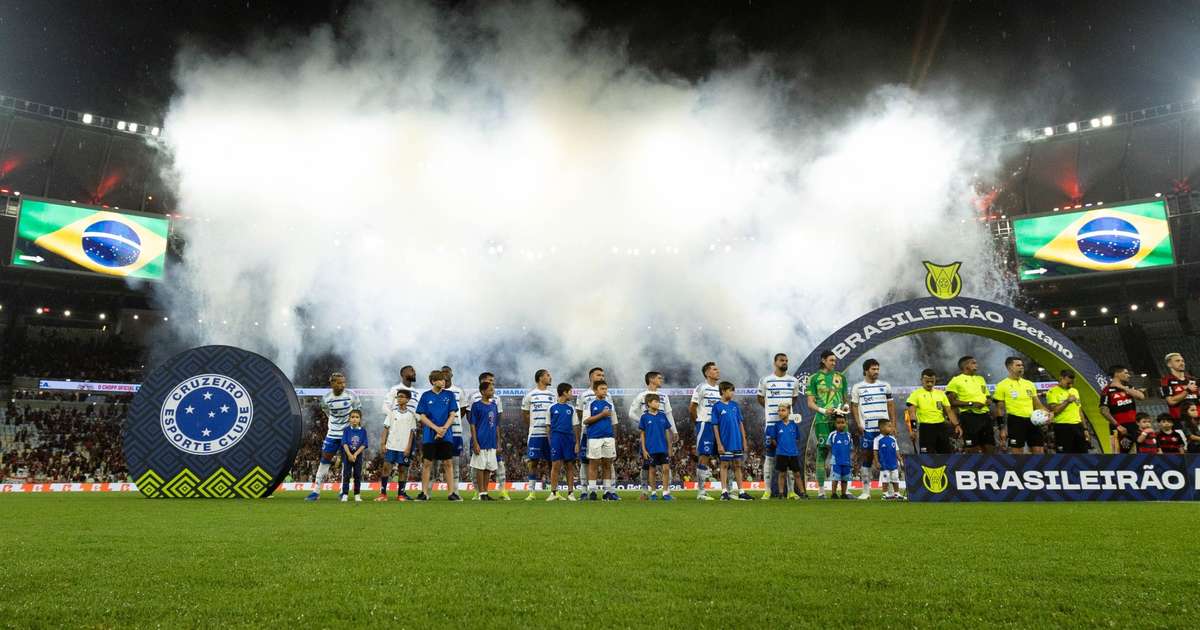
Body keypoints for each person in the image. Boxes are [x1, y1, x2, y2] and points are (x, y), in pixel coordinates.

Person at [306, 372, 362, 501]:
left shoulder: (351, 395)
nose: (343, 385)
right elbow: (327, 412)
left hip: (347, 433)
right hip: (332, 433)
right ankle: (316, 491)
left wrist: (355, 430)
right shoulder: (326, 398)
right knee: (325, 459)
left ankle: (343, 491)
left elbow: (358, 412)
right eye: (339, 382)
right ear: (332, 383)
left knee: (346, 462)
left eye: (344, 382)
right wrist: (334, 424)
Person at [757, 353, 800, 500]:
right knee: (769, 457)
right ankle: (767, 490)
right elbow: (760, 398)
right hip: (771, 424)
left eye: (786, 360)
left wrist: (785, 414)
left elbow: (794, 399)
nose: (785, 363)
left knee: (789, 457)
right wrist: (772, 411)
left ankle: (791, 492)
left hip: (788, 424)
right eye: (782, 360)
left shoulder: (793, 381)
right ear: (775, 362)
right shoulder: (766, 380)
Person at [849, 358, 893, 500]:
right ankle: (866, 491)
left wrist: (894, 425)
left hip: (884, 429)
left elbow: (890, 406)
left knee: (887, 457)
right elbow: (854, 407)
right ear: (866, 370)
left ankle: (891, 491)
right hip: (868, 428)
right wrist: (858, 424)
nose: (876, 372)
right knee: (867, 457)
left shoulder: (885, 385)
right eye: (873, 369)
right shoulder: (857, 387)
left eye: (877, 369)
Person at [629, 371, 678, 500]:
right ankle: (646, 491)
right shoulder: (641, 396)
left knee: (665, 466)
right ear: (651, 380)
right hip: (649, 436)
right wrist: (645, 421)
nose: (661, 380)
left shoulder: (664, 396)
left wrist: (675, 430)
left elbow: (668, 414)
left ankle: (666, 491)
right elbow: (631, 413)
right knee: (646, 466)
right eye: (659, 378)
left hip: (662, 436)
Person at [806, 350, 847, 499]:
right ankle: (821, 491)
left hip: (840, 420)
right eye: (831, 360)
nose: (834, 363)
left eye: (835, 361)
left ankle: (844, 491)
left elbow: (845, 399)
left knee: (844, 453)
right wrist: (823, 410)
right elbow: (810, 403)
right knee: (822, 453)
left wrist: (845, 408)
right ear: (823, 360)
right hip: (822, 420)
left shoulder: (841, 377)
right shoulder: (813, 378)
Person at [416, 370, 460, 501]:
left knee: (448, 463)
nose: (443, 382)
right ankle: (424, 493)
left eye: (445, 380)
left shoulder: (449, 395)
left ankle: (451, 493)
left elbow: (452, 414)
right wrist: (436, 429)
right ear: (433, 381)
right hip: (430, 434)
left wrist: (444, 429)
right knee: (427, 463)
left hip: (446, 434)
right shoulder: (425, 396)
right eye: (440, 380)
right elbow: (422, 416)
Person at [993, 357, 1048, 454]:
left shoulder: (1029, 384)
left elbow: (1037, 404)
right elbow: (999, 409)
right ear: (1009, 367)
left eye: (1022, 365)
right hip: (1015, 421)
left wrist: (1047, 413)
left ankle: (1038, 469)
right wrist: (1002, 428)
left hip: (1033, 421)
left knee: (1039, 452)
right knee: (1018, 454)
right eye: (1018, 365)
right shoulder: (1001, 385)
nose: (1021, 367)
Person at [468, 372, 510, 500]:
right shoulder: (476, 405)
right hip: (480, 440)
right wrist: (475, 442)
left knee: (488, 468)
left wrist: (498, 442)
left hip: (491, 441)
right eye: (491, 389)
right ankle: (480, 493)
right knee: (480, 468)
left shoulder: (494, 405)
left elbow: (496, 424)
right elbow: (472, 424)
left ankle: (485, 492)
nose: (493, 391)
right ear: (483, 391)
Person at [712, 381, 752, 501]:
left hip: (737, 441)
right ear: (723, 391)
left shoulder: (735, 405)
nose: (732, 393)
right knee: (724, 465)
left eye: (733, 390)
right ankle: (724, 492)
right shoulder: (717, 406)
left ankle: (741, 491)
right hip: (725, 442)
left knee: (738, 465)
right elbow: (715, 426)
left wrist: (744, 441)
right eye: (730, 390)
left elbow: (740, 423)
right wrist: (719, 444)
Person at [945, 356, 994, 453]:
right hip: (969, 417)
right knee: (971, 449)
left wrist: (988, 400)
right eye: (973, 363)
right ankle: (974, 467)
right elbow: (951, 402)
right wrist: (971, 403)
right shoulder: (956, 380)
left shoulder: (981, 379)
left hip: (985, 416)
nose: (976, 365)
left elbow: (987, 395)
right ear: (965, 365)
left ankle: (989, 467)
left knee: (990, 447)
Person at [689, 362, 722, 500]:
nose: (718, 371)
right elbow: (692, 407)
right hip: (706, 425)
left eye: (717, 369)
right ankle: (701, 492)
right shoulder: (701, 387)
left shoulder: (721, 389)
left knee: (726, 456)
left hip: (719, 427)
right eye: (715, 369)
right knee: (704, 456)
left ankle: (728, 490)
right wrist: (698, 422)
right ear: (707, 373)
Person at [376, 389, 417, 502]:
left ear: (407, 399)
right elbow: (386, 429)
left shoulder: (411, 415)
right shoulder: (392, 413)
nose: (399, 399)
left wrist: (408, 447)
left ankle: (401, 494)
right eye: (398, 397)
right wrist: (383, 443)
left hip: (403, 447)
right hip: (391, 446)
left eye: (402, 397)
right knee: (386, 468)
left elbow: (411, 433)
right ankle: (383, 494)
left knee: (403, 469)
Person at [520, 369, 555, 501]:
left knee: (552, 462)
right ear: (541, 378)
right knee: (533, 462)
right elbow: (524, 414)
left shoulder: (553, 396)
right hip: (535, 435)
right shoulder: (530, 395)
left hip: (550, 436)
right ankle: (531, 492)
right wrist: (533, 425)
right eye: (548, 375)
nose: (550, 377)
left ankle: (554, 491)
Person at [905, 368, 959, 454]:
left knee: (945, 454)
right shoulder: (915, 394)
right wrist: (913, 430)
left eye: (932, 381)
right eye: (927, 381)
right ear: (921, 380)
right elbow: (912, 413)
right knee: (926, 456)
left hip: (941, 427)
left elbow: (949, 411)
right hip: (926, 428)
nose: (930, 384)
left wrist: (957, 425)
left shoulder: (941, 394)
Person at [583, 380, 619, 501]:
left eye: (606, 389)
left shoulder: (610, 404)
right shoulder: (590, 404)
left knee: (607, 464)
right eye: (602, 389)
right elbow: (586, 420)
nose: (605, 391)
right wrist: (602, 415)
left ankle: (607, 491)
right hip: (594, 437)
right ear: (595, 390)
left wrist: (614, 436)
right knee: (593, 464)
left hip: (608, 437)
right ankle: (592, 491)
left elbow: (614, 422)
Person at [576, 367, 606, 499]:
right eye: (598, 375)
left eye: (603, 375)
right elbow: (580, 414)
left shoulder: (607, 394)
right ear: (591, 378)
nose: (601, 377)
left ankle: (608, 491)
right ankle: (584, 491)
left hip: (604, 434)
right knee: (584, 462)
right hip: (587, 434)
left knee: (607, 461)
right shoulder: (583, 395)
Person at [1100, 365, 1145, 453]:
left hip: (1133, 427)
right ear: (1117, 374)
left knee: (1135, 454)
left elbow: (1141, 396)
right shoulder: (1107, 390)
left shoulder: (1128, 387)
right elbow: (1103, 411)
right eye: (1126, 373)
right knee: (1120, 456)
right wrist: (1118, 426)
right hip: (1119, 428)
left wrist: (1123, 387)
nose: (1129, 375)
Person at [1044, 370, 1091, 454]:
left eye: (1072, 383)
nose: (1070, 385)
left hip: (1078, 426)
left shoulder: (1075, 391)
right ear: (1061, 378)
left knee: (1083, 453)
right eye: (1068, 383)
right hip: (1062, 427)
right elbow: (1054, 410)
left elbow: (1079, 411)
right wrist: (1067, 401)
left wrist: (1085, 429)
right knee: (1064, 455)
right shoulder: (1052, 391)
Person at [638, 393, 674, 500]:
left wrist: (670, 446)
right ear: (648, 403)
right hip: (651, 448)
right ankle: (653, 493)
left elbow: (667, 431)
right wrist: (644, 449)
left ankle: (665, 492)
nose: (658, 403)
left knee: (666, 469)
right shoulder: (644, 417)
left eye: (658, 401)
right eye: (655, 401)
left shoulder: (662, 415)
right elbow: (642, 434)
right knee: (652, 470)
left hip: (663, 447)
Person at [547, 383, 579, 501]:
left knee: (569, 465)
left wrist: (577, 443)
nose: (572, 394)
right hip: (556, 438)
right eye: (570, 391)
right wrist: (550, 442)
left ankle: (570, 493)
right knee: (555, 465)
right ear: (564, 392)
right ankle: (554, 492)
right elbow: (548, 426)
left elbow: (575, 426)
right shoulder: (552, 407)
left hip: (568, 439)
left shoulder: (571, 408)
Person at [768, 402, 804, 500]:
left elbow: (797, 438)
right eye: (779, 411)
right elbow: (773, 439)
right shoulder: (777, 425)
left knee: (797, 474)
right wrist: (780, 447)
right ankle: (781, 493)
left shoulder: (794, 425)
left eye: (783, 410)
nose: (780, 413)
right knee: (782, 474)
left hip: (793, 453)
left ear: (789, 411)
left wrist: (791, 447)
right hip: (781, 453)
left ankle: (802, 493)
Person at [441, 365, 467, 498]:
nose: (445, 374)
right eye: (443, 372)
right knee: (434, 463)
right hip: (440, 432)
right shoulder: (437, 391)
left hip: (456, 432)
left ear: (451, 375)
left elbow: (462, 410)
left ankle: (455, 491)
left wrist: (453, 420)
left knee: (455, 463)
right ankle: (426, 492)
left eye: (447, 372)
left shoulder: (458, 391)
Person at [1159, 353, 1199, 421]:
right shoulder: (1165, 381)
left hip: (1197, 419)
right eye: (1177, 361)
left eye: (1182, 361)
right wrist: (1187, 390)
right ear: (1169, 364)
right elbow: (1171, 401)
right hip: (1179, 420)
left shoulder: (1194, 380)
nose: (1181, 363)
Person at [872, 419, 905, 500]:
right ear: (882, 428)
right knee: (885, 479)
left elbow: (896, 450)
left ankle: (897, 493)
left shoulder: (893, 439)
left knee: (895, 479)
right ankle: (885, 494)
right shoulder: (877, 439)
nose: (891, 428)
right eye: (889, 426)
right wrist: (876, 462)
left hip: (894, 464)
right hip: (884, 464)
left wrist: (900, 459)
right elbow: (875, 451)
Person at [340, 410, 367, 502]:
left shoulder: (363, 431)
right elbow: (344, 443)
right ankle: (345, 494)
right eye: (352, 417)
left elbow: (364, 444)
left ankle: (357, 494)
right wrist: (349, 454)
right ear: (349, 419)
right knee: (346, 475)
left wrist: (355, 454)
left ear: (360, 419)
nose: (354, 419)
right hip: (347, 455)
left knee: (357, 476)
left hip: (357, 456)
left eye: (357, 417)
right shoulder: (346, 430)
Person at [827, 416, 854, 500]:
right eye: (838, 423)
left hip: (846, 461)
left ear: (846, 424)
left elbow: (851, 447)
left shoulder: (848, 435)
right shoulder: (833, 434)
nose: (840, 425)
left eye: (842, 422)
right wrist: (835, 453)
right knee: (835, 478)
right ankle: (833, 493)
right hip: (836, 461)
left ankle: (843, 493)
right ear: (835, 424)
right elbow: (828, 445)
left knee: (844, 479)